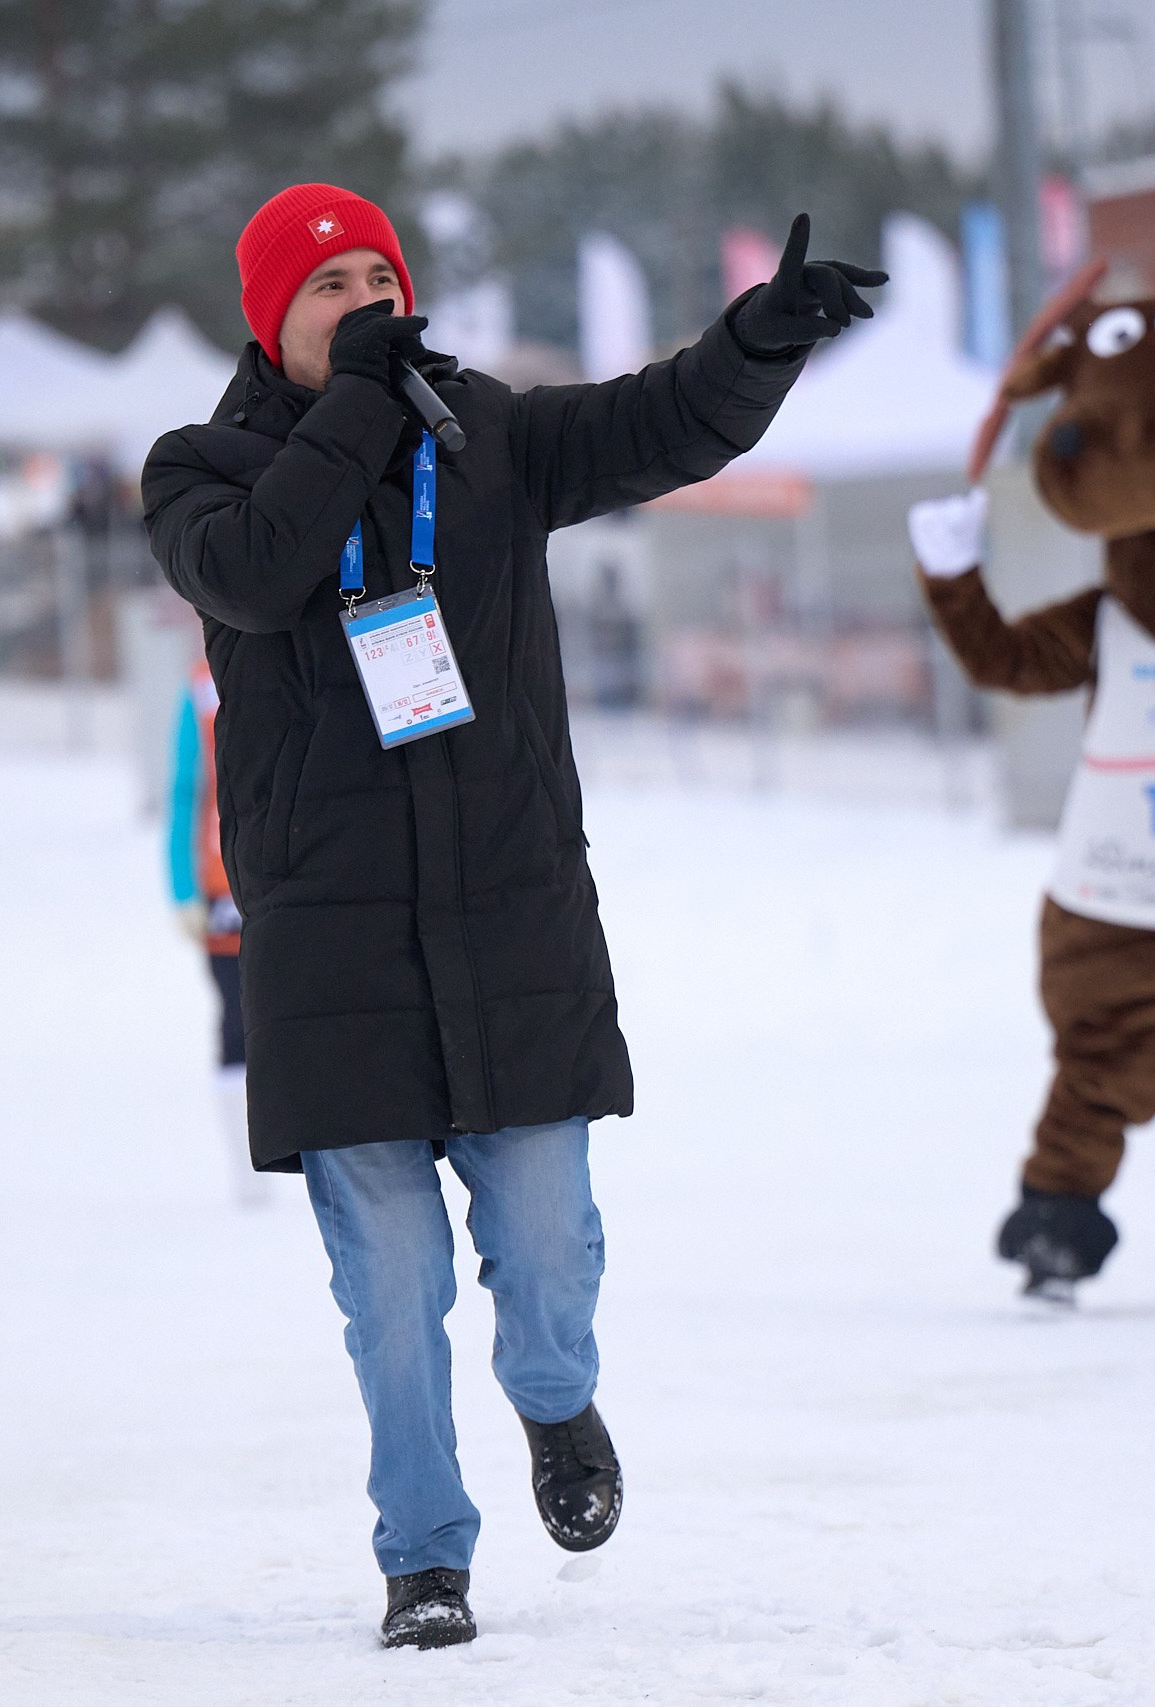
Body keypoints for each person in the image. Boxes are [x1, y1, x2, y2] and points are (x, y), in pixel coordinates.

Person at [141, 183, 880, 1650]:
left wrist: (755, 343)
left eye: (378, 276)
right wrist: (359, 408)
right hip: (333, 949)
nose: (360, 300)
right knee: (392, 1282)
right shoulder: (200, 469)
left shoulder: (485, 438)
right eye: (326, 285)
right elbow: (263, 568)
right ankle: (424, 1552)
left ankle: (556, 1398)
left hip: (512, 919)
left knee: (546, 1247)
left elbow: (656, 421)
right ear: (266, 317)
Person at [163, 657, 261, 1207]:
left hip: (296, 884)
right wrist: (182, 889)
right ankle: (247, 1163)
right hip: (223, 886)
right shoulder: (201, 686)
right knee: (238, 1018)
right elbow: (184, 791)